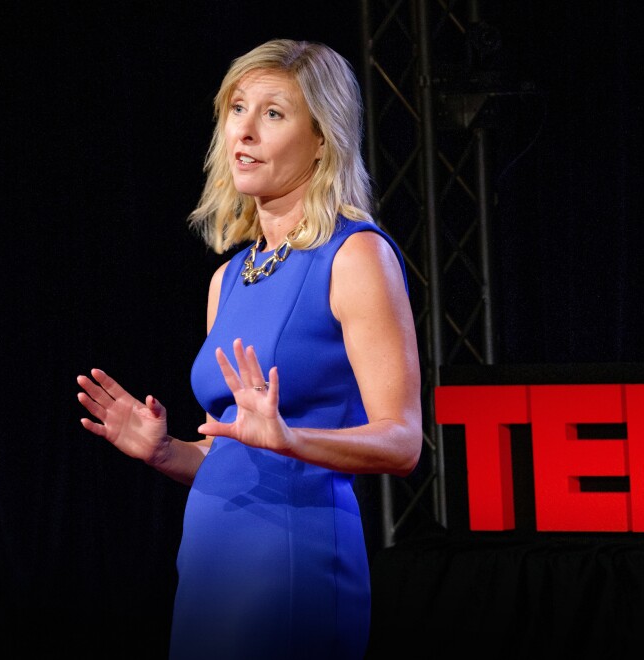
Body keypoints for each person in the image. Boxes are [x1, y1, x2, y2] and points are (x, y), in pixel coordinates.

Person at [76, 38, 422, 660]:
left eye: (274, 113)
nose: (246, 131)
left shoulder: (356, 256)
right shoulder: (229, 277)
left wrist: (294, 441)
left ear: (323, 139)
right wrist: (166, 452)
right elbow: (231, 449)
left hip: (292, 557)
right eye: (238, 109)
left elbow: (403, 441)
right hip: (212, 555)